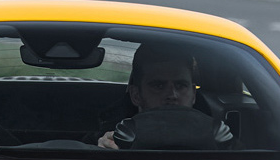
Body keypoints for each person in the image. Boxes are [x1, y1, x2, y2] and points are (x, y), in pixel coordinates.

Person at [97, 45, 234, 149]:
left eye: (180, 85)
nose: (172, 95)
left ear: (193, 94)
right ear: (136, 95)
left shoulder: (218, 136)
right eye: (159, 86)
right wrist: (102, 149)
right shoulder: (114, 137)